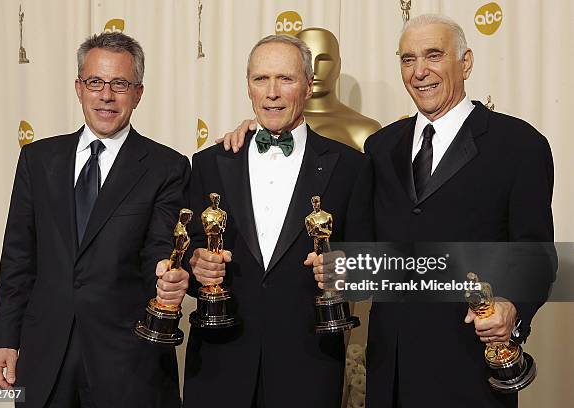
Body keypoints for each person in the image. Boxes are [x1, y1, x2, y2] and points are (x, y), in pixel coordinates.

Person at [221, 14, 555, 408]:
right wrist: (260, 132)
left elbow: (537, 256)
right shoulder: (380, 147)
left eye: (434, 56)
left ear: (465, 63)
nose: (419, 72)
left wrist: (512, 308)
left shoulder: (518, 144)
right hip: (389, 371)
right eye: (408, 59)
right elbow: (359, 245)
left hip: (470, 367)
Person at [0, 32, 190, 408]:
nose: (107, 95)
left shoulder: (167, 167)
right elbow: (18, 259)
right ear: (79, 88)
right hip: (45, 356)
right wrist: (4, 338)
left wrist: (166, 275)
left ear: (139, 93)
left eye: (120, 84)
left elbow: (159, 251)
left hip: (128, 360)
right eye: (96, 82)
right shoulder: (38, 160)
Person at [182, 34, 372, 408]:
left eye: (285, 79)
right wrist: (195, 265)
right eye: (260, 79)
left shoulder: (351, 167)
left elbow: (367, 269)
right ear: (248, 87)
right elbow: (185, 256)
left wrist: (347, 269)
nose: (271, 92)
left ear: (308, 85)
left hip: (309, 364)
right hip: (220, 363)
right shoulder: (209, 163)